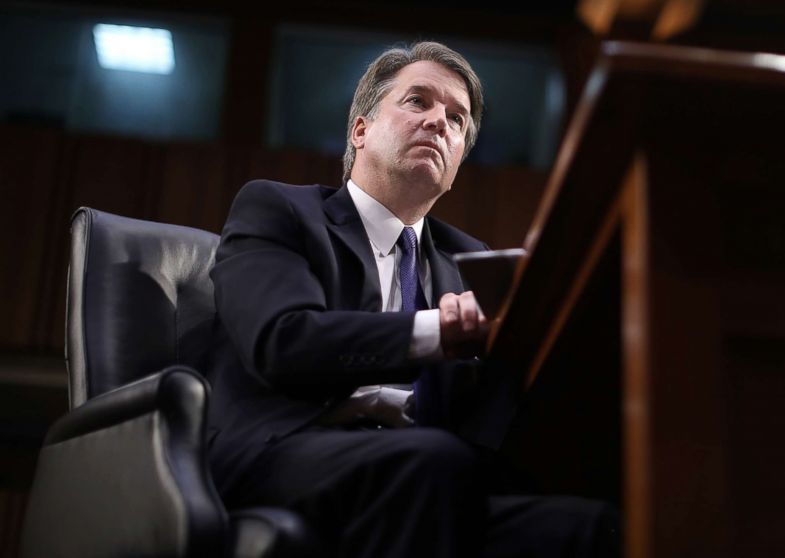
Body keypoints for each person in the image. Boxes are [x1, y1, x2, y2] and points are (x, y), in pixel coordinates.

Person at [206, 41, 618, 557]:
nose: (439, 123)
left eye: (457, 119)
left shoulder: (471, 260)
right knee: (433, 462)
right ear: (361, 130)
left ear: (457, 163)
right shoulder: (280, 210)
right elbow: (281, 341)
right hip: (283, 449)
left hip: (432, 468)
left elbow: (496, 401)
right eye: (417, 102)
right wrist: (436, 331)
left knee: (589, 520)